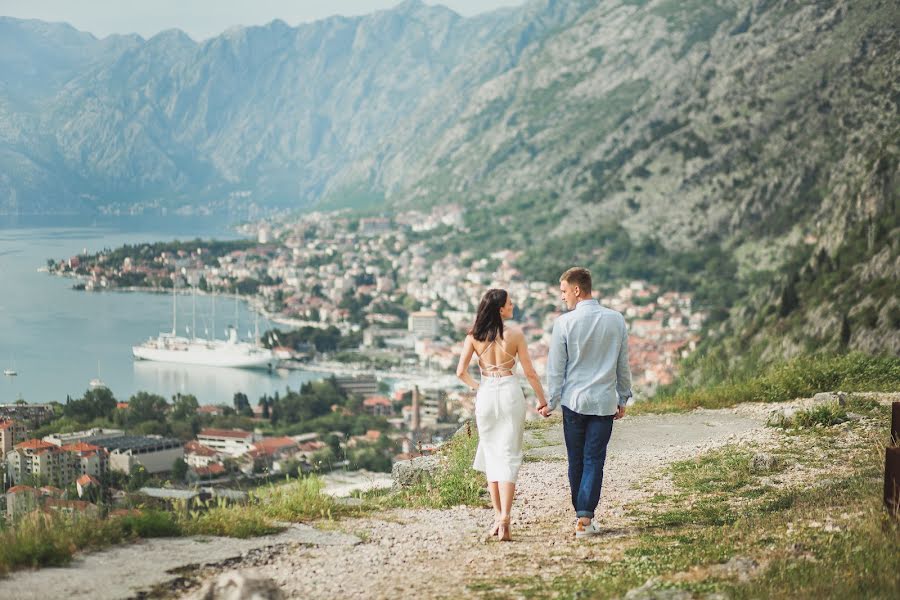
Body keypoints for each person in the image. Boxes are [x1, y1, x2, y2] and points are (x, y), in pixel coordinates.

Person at [544, 267, 632, 538]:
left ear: (576, 290)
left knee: (576, 459)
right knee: (594, 459)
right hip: (604, 402)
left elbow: (556, 368)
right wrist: (623, 396)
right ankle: (585, 517)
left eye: (563, 291)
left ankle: (581, 514)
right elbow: (622, 364)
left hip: (574, 401)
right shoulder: (616, 320)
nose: (562, 298)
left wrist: (551, 401)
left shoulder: (564, 323)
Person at [456, 288, 548, 541]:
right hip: (509, 392)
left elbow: (460, 372)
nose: (512, 305)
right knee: (509, 454)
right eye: (509, 302)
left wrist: (479, 387)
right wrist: (542, 401)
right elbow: (530, 373)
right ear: (500, 309)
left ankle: (498, 516)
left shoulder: (474, 336)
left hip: (486, 394)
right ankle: (505, 516)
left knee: (490, 454)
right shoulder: (516, 335)